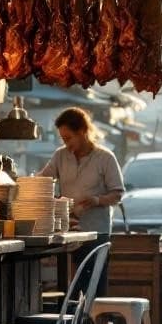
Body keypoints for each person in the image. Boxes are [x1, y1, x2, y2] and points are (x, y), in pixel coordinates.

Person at [39, 107, 125, 297]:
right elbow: (42, 181)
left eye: (69, 138)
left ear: (83, 132)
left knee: (95, 290)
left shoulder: (105, 158)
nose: (66, 143)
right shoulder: (60, 156)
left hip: (96, 234)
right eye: (63, 139)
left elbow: (117, 194)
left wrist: (97, 200)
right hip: (70, 233)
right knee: (69, 289)